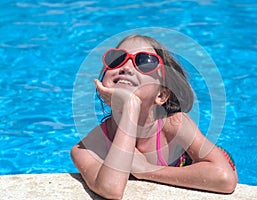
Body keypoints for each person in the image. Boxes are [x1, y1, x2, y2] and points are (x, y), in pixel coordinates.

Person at [71, 34, 238, 199]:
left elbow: (224, 178)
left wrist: (147, 170)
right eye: (117, 59)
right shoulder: (88, 147)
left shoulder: (174, 124)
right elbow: (110, 190)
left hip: (201, 161)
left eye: (144, 62)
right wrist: (130, 108)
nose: (126, 67)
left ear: (161, 95)